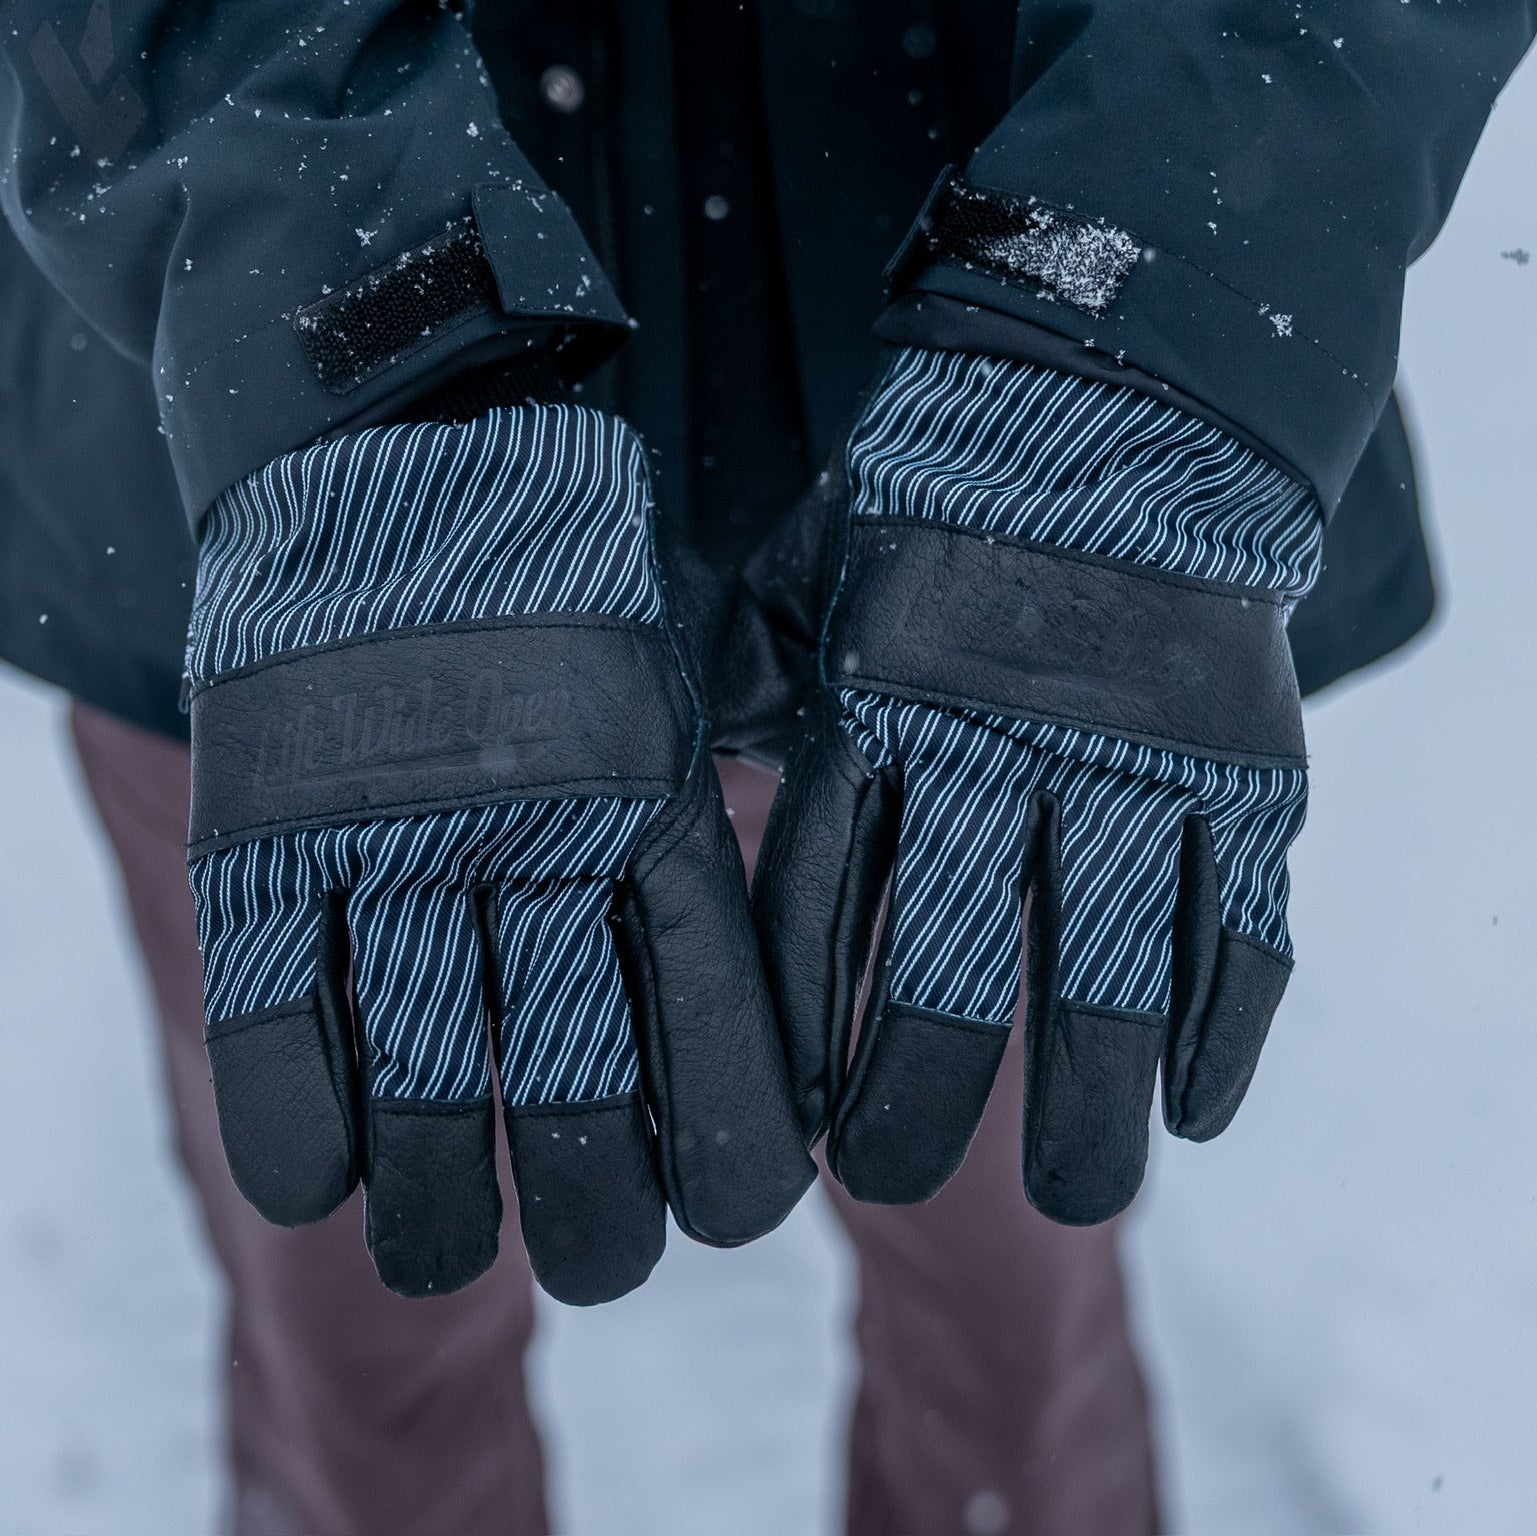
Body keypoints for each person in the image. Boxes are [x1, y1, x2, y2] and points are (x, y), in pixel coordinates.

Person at [1, 4, 1531, 1532]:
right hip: (283, 479)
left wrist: (1143, 295)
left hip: (1009, 431)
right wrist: (364, 335)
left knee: (994, 1253)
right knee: (366, 1259)